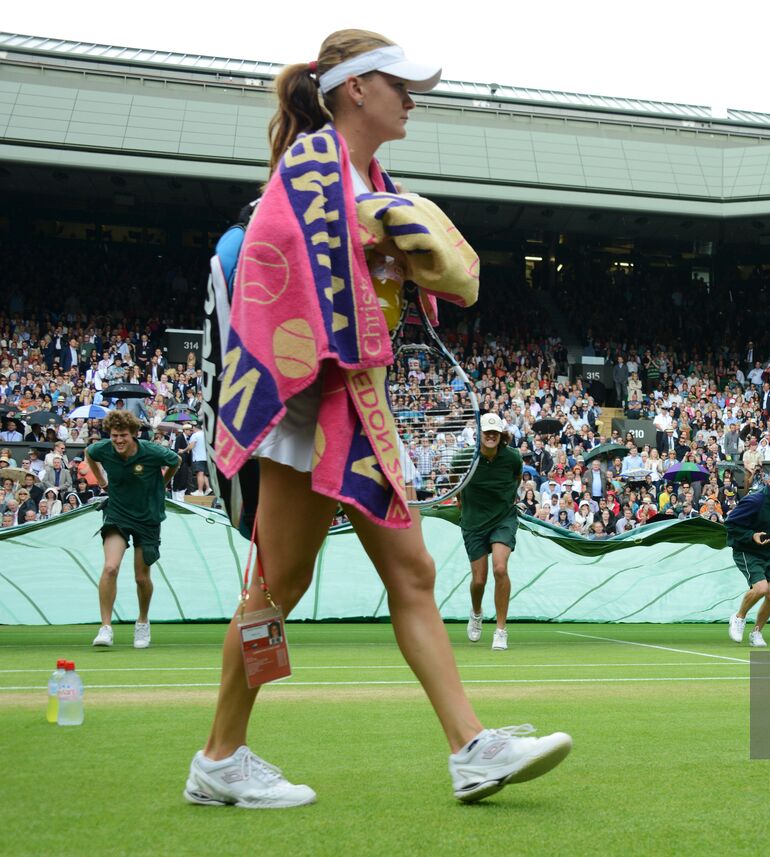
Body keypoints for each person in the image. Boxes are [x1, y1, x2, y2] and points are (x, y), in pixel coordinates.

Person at [186, 30, 569, 811]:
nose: (411, 97)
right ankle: (220, 757)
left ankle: (468, 746)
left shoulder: (359, 178)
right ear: (355, 89)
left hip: (351, 399)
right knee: (278, 587)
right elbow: (278, 265)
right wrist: (371, 245)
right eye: (399, 84)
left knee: (403, 574)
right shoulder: (314, 171)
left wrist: (383, 257)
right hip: (308, 406)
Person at [85, 409, 180, 649]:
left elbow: (175, 461)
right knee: (110, 567)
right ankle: (105, 628)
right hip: (117, 514)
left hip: (148, 517)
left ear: (134, 434)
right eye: (115, 435)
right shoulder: (103, 449)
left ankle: (142, 622)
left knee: (141, 577)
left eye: (123, 435)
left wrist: (163, 483)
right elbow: (89, 453)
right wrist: (102, 481)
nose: (118, 440)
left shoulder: (152, 451)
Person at [460, 412, 523, 651]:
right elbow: (456, 482)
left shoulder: (513, 457)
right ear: (479, 434)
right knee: (479, 580)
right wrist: (462, 502)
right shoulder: (465, 458)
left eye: (495, 432)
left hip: (503, 519)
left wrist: (505, 500)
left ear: (500, 435)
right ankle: (476, 613)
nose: (491, 436)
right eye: (487, 431)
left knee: (500, 567)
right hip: (473, 522)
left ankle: (500, 631)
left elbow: (516, 478)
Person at [724, 467, 770, 647]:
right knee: (761, 588)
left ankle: (756, 633)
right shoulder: (755, 500)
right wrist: (751, 536)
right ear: (769, 482)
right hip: (747, 550)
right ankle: (739, 617)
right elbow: (730, 524)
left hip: (769, 553)